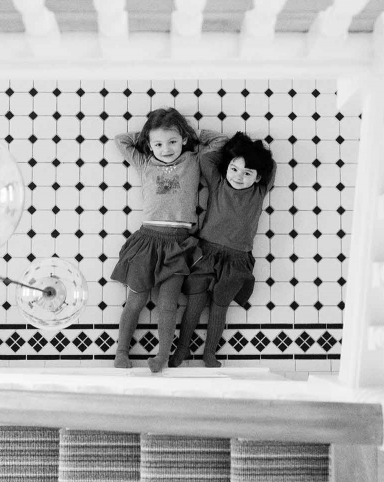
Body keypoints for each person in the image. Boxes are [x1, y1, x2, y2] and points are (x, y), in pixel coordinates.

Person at [109, 108, 224, 372]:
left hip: (179, 243)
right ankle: (122, 351)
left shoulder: (194, 160)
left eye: (172, 141)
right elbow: (120, 140)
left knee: (168, 303)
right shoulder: (145, 162)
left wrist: (194, 135)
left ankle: (162, 356)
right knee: (136, 300)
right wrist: (147, 135)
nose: (166, 148)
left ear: (183, 139)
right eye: (158, 144)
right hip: (148, 240)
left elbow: (220, 142)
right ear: (150, 144)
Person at [171, 132, 277, 368]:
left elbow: (273, 166)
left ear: (258, 177)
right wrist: (230, 148)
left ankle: (210, 353)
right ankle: (182, 349)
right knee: (194, 304)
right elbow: (205, 160)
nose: (239, 176)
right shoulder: (218, 183)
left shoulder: (259, 192)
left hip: (237, 260)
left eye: (247, 173)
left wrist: (248, 153)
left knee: (219, 308)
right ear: (227, 166)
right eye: (234, 169)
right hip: (206, 253)